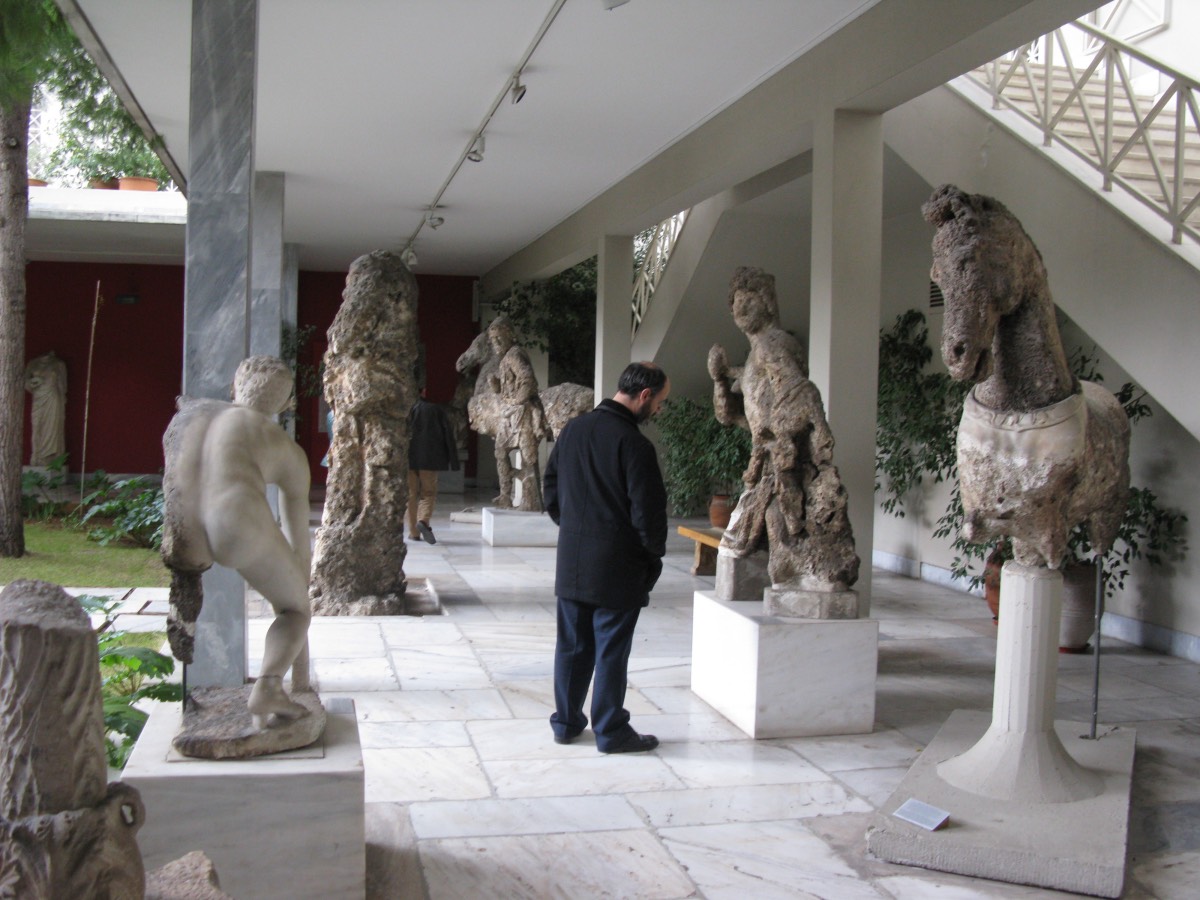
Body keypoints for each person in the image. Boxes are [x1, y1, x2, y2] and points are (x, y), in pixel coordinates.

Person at [161, 355, 312, 730]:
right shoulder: (286, 448)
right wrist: (300, 588)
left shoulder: (200, 414)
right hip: (238, 524)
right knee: (295, 611)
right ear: (285, 402)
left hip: (184, 527)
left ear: (235, 388)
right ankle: (270, 685)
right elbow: (298, 539)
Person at [542, 361, 671, 753]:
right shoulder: (635, 445)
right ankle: (611, 730)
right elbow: (648, 515)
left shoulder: (572, 430)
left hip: (574, 561)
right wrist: (652, 557)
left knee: (571, 645)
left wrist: (575, 528)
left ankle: (565, 723)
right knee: (610, 650)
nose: (659, 411)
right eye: (660, 402)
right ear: (644, 396)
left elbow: (550, 488)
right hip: (618, 565)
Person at [407, 392, 459, 544]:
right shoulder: (436, 410)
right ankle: (423, 521)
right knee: (428, 493)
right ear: (423, 392)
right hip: (430, 459)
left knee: (410, 495)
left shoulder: (404, 410)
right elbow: (447, 434)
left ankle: (413, 533)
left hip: (408, 458)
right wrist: (453, 460)